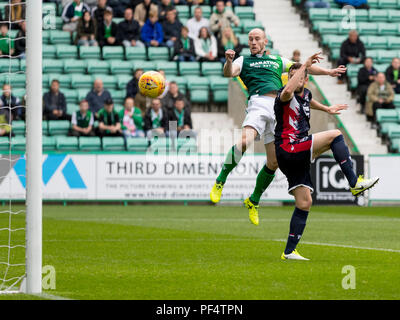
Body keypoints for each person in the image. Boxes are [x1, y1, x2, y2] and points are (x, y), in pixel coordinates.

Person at [209, 28, 346, 219]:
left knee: (273, 162)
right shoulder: (243, 60)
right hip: (258, 104)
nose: (253, 42)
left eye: (257, 39)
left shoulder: (277, 60)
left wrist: (329, 72)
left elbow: (302, 69)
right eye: (250, 39)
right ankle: (220, 180)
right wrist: (229, 61)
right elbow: (229, 73)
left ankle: (254, 200)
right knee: (244, 142)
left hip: (277, 108)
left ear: (265, 42)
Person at [274, 56, 378, 261]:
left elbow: (309, 101)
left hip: (295, 152)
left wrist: (327, 109)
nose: (295, 80)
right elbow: (288, 91)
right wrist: (303, 66)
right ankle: (354, 183)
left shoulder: (306, 93)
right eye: (291, 77)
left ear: (305, 79)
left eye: (300, 77)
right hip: (290, 147)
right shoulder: (284, 94)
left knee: (304, 202)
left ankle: (289, 251)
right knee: (335, 135)